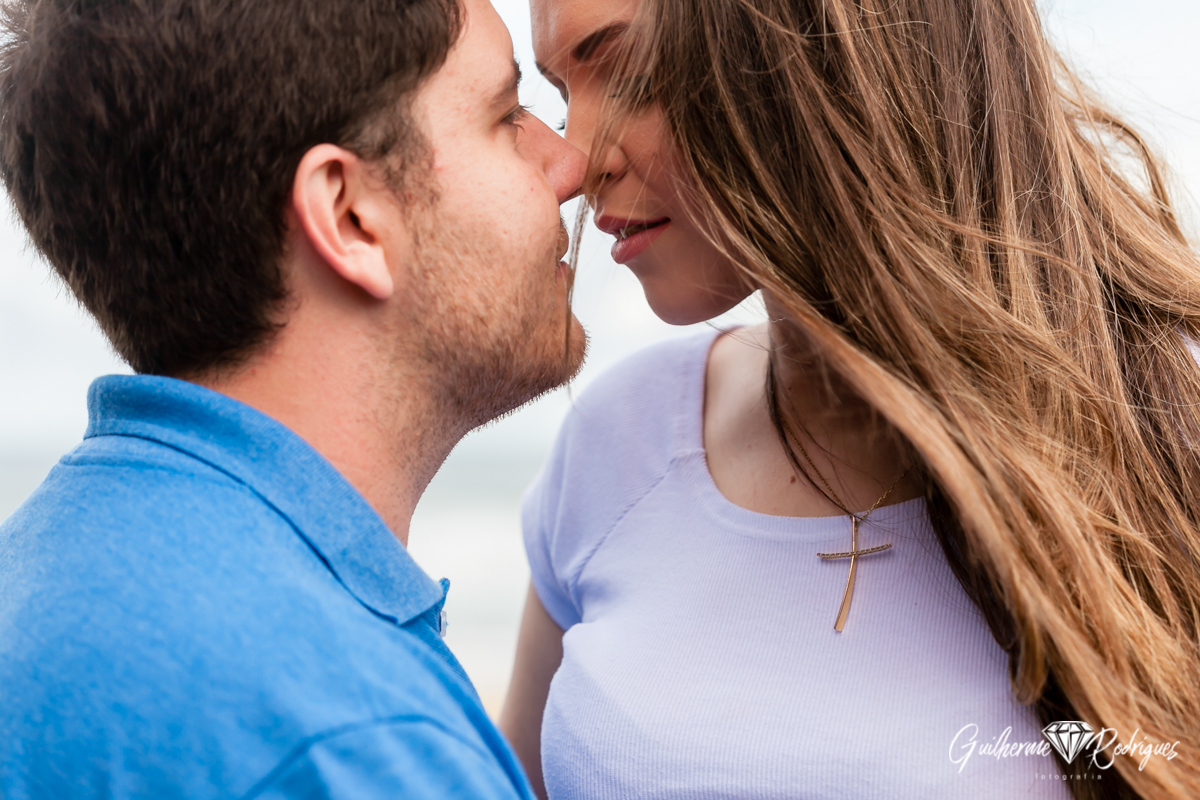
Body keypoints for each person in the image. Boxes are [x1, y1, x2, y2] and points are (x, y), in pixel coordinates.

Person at [500, 0, 1200, 798]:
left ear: (820, 54)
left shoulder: (1166, 434)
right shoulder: (617, 444)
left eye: (632, 74)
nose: (574, 162)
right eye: (561, 93)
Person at [0, 0, 585, 795]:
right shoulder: (351, 738)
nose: (569, 162)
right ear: (349, 217)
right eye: (506, 115)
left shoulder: (49, 573)